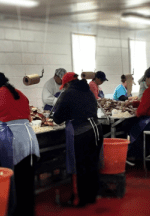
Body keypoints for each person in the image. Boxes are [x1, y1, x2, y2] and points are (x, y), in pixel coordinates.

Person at [0, 72, 40, 216]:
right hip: (30, 140)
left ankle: (13, 212)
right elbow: (29, 119)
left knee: (12, 181)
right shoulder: (20, 93)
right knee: (26, 181)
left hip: (11, 142)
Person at [52, 72, 102, 207]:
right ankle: (92, 196)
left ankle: (79, 199)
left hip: (81, 132)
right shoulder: (88, 90)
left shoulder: (68, 93)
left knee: (80, 166)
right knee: (92, 163)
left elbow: (57, 118)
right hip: (96, 129)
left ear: (67, 84)